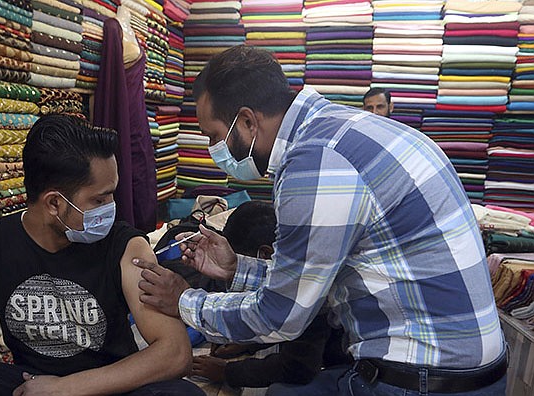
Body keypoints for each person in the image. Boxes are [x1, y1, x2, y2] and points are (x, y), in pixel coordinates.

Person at [133, 45, 507, 396]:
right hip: (469, 369)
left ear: (246, 121)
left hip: (421, 377)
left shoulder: (314, 164)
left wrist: (184, 301)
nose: (215, 151)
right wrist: (237, 268)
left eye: (214, 136)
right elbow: (325, 281)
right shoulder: (352, 132)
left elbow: (281, 317)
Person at [0, 115, 202, 396]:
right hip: (31, 386)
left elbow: (174, 353)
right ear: (54, 204)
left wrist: (67, 388)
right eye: (100, 198)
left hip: (108, 385)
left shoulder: (126, 246)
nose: (111, 207)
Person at [191, 201, 350, 388]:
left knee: (281, 392)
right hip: (335, 345)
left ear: (265, 254)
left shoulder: (304, 284)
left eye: (239, 259)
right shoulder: (306, 253)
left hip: (351, 362)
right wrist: (251, 343)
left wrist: (227, 372)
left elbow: (297, 368)